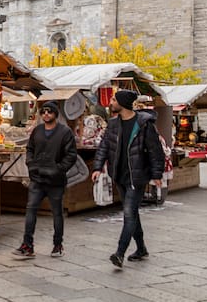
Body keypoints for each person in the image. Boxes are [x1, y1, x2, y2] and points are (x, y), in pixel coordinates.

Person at [91, 90, 165, 269]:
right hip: (119, 175)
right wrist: (98, 167)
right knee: (132, 213)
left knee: (129, 213)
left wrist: (157, 175)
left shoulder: (144, 124)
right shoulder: (113, 123)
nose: (111, 102)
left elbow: (156, 151)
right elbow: (104, 146)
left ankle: (119, 253)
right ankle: (141, 249)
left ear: (122, 103)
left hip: (137, 176)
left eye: (114, 99)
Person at [12, 101, 78, 259]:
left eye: (49, 112)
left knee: (56, 213)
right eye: (43, 112)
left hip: (55, 180)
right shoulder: (37, 131)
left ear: (55, 113)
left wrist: (58, 169)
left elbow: (71, 155)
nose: (46, 114)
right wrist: (31, 164)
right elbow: (30, 149)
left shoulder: (64, 132)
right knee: (31, 209)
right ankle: (27, 245)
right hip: (37, 178)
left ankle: (57, 244)